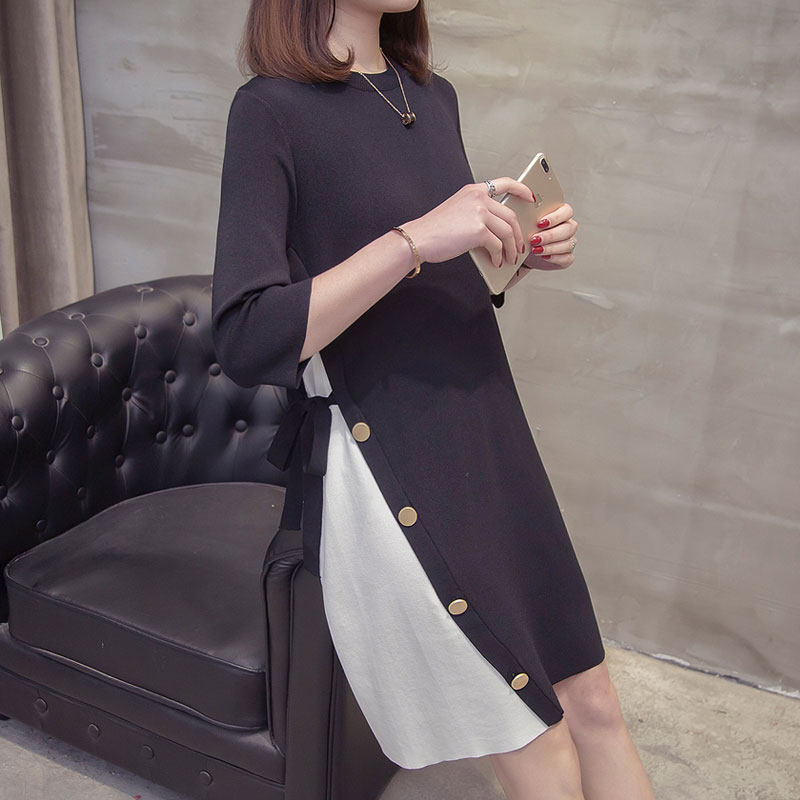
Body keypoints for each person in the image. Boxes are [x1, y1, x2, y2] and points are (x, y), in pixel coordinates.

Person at [211, 1, 657, 798]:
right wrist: (417, 238)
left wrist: (512, 255)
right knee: (535, 739)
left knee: (593, 700)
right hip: (388, 453)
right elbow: (247, 337)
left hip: (486, 429)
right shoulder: (270, 111)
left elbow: (430, 285)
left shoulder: (427, 95)